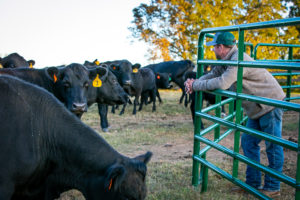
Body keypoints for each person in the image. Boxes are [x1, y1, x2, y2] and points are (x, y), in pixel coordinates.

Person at [185, 32, 285, 198]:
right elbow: (212, 75)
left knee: (273, 146)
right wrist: (194, 83)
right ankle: (252, 183)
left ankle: (273, 186)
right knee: (248, 142)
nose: (213, 51)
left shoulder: (238, 59)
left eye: (214, 47)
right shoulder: (226, 60)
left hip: (270, 103)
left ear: (221, 47)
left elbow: (222, 83)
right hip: (257, 106)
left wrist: (196, 85)